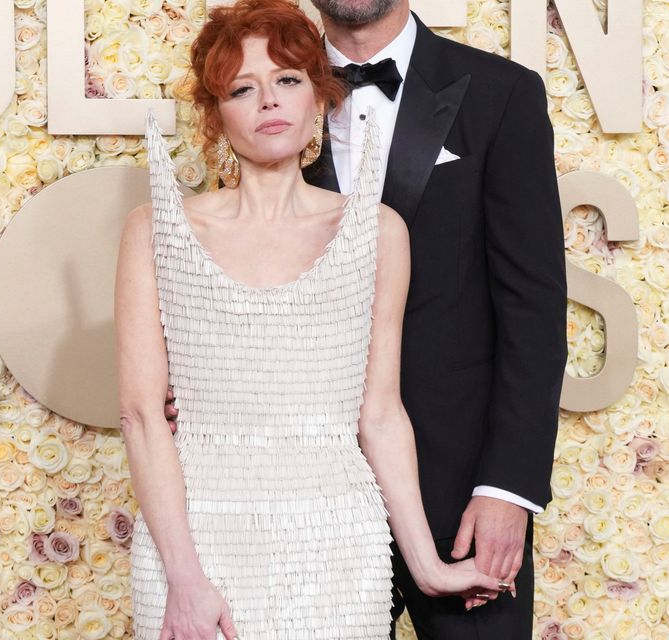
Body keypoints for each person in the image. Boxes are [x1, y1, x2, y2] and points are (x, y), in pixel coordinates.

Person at [114, 1, 503, 638]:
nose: (269, 100)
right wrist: (184, 580)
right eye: (243, 88)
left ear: (319, 99)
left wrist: (427, 565)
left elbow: (379, 415)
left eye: (288, 80)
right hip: (196, 542)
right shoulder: (156, 230)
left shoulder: (377, 231)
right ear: (216, 116)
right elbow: (140, 415)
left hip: (339, 549)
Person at [301, 0, 569, 637]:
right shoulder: (273, 91)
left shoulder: (502, 93)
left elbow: (533, 307)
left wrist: (507, 487)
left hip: (462, 494)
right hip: (308, 489)